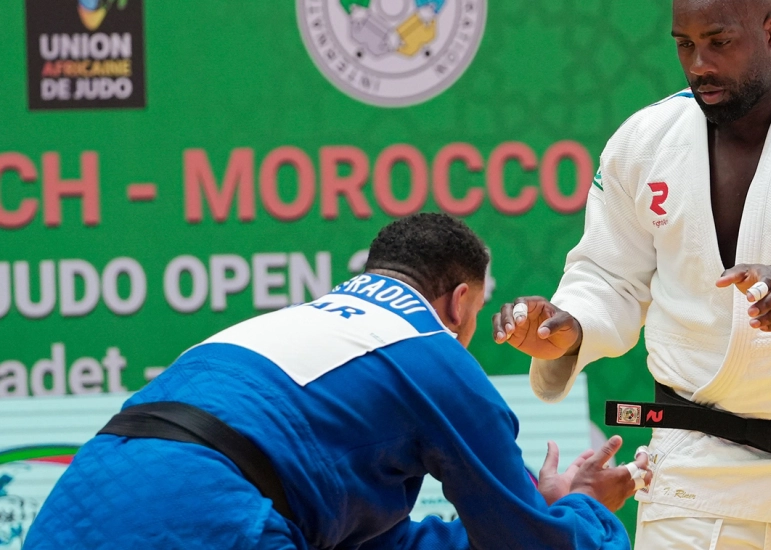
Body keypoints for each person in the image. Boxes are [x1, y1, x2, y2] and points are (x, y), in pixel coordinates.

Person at [492, 0, 771, 548]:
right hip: (698, 464)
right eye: (685, 44)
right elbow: (610, 274)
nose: (699, 63)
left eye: (719, 41)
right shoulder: (644, 140)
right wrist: (571, 323)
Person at [25, 213, 649, 550]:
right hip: (213, 518)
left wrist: (528, 508)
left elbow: (376, 544)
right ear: (459, 302)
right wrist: (583, 511)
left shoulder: (272, 330)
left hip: (76, 505)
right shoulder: (433, 353)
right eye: (476, 314)